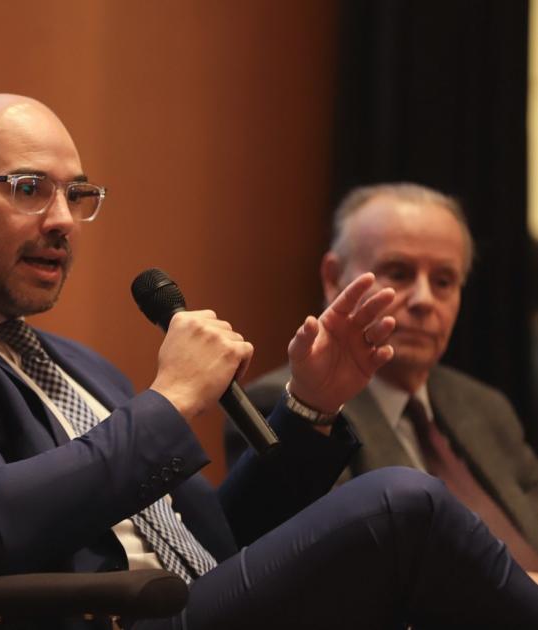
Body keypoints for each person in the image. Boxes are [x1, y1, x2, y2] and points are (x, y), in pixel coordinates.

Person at [0, 95, 538, 629]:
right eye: (29, 189)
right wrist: (168, 399)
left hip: (182, 608)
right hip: (111, 621)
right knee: (399, 502)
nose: (62, 220)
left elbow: (215, 541)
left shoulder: (77, 366)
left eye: (77, 194)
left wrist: (310, 408)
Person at [230, 182, 538, 574]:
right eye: (399, 272)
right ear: (334, 277)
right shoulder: (290, 408)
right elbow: (342, 577)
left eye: (443, 281)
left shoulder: (485, 406)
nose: (424, 300)